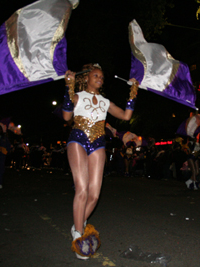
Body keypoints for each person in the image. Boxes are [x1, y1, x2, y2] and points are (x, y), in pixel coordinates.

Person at [62, 63, 139, 259]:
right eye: (96, 75)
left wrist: (133, 92)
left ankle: (77, 224)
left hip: (98, 143)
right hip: (78, 139)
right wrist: (68, 87)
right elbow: (66, 116)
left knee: (95, 195)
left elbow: (126, 115)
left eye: (102, 77)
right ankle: (79, 235)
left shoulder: (105, 101)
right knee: (82, 189)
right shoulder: (78, 96)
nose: (100, 79)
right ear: (86, 78)